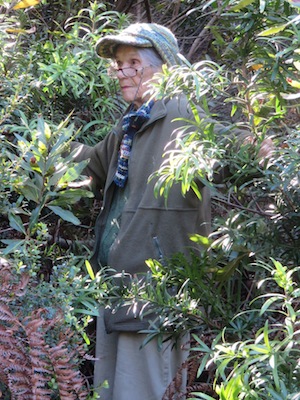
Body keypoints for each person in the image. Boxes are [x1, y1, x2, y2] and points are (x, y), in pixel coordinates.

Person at [72, 23, 271, 400]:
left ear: (165, 67)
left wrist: (273, 156)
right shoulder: (131, 124)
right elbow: (93, 166)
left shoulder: (182, 112)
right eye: (118, 64)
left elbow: (232, 144)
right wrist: (38, 150)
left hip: (155, 296)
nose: (122, 72)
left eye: (133, 62)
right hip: (116, 289)